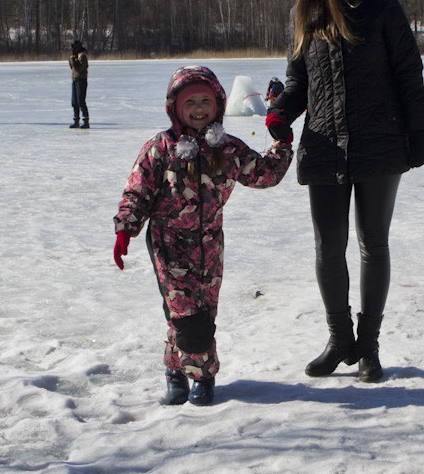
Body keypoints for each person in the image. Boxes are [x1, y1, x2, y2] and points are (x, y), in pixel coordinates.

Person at [265, 0, 424, 383]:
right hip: (323, 144)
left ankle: (369, 346)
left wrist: (420, 129)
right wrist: (281, 112)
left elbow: (407, 68)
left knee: (372, 242)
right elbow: (298, 82)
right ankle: (340, 339)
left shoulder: (379, 1)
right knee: (327, 247)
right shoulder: (305, 13)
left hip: (380, 142)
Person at [113, 65, 293, 406]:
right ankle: (203, 377)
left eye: (206, 101)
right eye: (190, 101)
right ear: (175, 107)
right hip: (168, 245)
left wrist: (282, 143)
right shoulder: (160, 148)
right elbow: (137, 193)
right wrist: (126, 230)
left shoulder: (226, 149)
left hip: (210, 244)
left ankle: (175, 369)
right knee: (188, 316)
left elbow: (265, 174)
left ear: (219, 105)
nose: (199, 109)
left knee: (198, 316)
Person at [69, 39, 89, 128]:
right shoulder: (76, 56)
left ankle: (85, 121)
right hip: (75, 80)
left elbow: (79, 69)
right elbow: (72, 68)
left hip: (81, 80)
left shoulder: (83, 57)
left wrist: (74, 61)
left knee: (81, 101)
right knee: (74, 101)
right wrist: (71, 60)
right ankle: (76, 120)